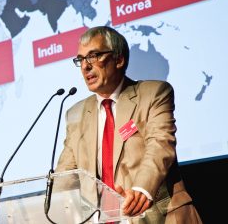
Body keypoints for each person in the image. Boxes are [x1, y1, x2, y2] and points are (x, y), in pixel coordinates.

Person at [56, 26, 202, 223]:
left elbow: (160, 145)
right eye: (81, 59)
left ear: (119, 59)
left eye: (93, 56)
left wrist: (142, 189)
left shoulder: (153, 93)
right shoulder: (76, 114)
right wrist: (54, 208)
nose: (85, 66)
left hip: (159, 216)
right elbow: (65, 177)